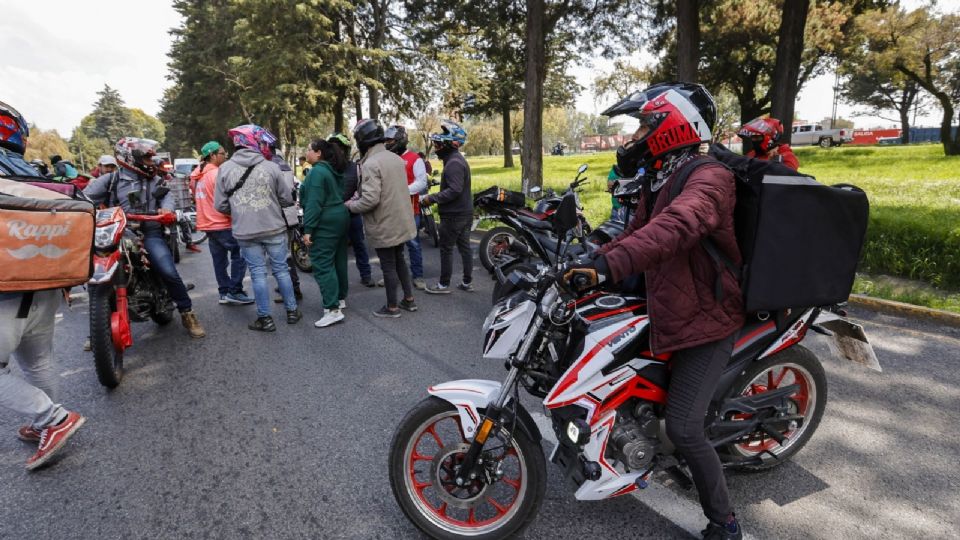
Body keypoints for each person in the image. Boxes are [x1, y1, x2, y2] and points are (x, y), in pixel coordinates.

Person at [565, 83, 745, 540]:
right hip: (670, 303)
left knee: (686, 429)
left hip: (707, 316)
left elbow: (676, 226)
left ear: (672, 125)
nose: (638, 134)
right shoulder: (665, 175)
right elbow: (637, 231)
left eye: (646, 124)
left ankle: (724, 522)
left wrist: (608, 265)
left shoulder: (709, 178)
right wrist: (593, 257)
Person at [0, 100, 86, 470]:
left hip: (6, 292)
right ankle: (43, 422)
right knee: (38, 359)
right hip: (48, 283)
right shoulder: (41, 176)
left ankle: (52, 419)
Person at [84, 137, 206, 338]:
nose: (152, 162)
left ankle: (187, 313)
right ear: (131, 159)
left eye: (151, 158)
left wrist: (167, 210)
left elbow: (167, 196)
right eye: (147, 158)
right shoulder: (110, 180)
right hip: (118, 234)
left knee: (167, 270)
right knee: (95, 275)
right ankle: (96, 331)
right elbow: (85, 199)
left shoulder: (156, 180)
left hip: (149, 232)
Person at [215, 124, 301, 331]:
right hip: (274, 227)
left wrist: (238, 210)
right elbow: (286, 197)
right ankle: (292, 311)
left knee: (257, 273)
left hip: (245, 231)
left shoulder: (224, 169)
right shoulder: (271, 167)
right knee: (281, 270)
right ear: (254, 142)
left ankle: (266, 319)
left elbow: (220, 204)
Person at [344, 119, 418, 317]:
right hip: (401, 220)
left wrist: (350, 206)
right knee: (400, 259)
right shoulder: (395, 158)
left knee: (388, 265)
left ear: (362, 140)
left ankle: (392, 307)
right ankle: (409, 300)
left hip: (384, 223)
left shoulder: (371, 163)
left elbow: (370, 200)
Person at [191, 141, 253, 305]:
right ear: (212, 155)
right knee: (241, 254)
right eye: (222, 153)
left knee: (219, 260)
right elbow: (229, 199)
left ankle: (224, 292)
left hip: (207, 225)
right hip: (222, 223)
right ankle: (235, 291)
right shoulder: (217, 174)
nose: (226, 156)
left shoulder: (197, 176)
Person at [301, 139, 350, 328]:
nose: (307, 153)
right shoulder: (331, 169)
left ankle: (332, 309)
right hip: (340, 216)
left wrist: (308, 230)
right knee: (338, 258)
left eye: (308, 149)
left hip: (326, 220)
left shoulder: (316, 172)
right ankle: (339, 298)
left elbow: (314, 203)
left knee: (321, 262)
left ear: (318, 152)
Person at [421, 119, 473, 294]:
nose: (436, 148)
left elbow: (455, 190)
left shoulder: (453, 163)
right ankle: (467, 282)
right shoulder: (456, 160)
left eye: (439, 144)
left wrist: (431, 198)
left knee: (446, 249)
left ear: (451, 144)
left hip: (454, 215)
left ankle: (443, 285)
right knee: (465, 248)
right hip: (464, 212)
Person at [384, 125, 428, 290]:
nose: (388, 143)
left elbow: (422, 182)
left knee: (413, 244)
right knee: (392, 245)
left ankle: (418, 276)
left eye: (390, 140)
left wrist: (402, 190)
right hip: (391, 210)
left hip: (410, 210)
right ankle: (391, 275)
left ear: (400, 140)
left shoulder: (414, 159)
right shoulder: (388, 159)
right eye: (386, 140)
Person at [329, 132, 374, 287]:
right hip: (334, 215)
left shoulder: (356, 168)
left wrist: (349, 203)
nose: (337, 151)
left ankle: (366, 274)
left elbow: (361, 190)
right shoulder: (327, 168)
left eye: (340, 148)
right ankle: (336, 281)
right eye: (334, 148)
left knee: (359, 244)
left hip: (352, 213)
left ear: (345, 150)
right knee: (334, 249)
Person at [266, 138, 303, 303]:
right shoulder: (282, 163)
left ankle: (293, 289)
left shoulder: (270, 166)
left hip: (278, 215)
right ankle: (288, 286)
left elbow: (278, 194)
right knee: (284, 253)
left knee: (282, 255)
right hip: (288, 214)